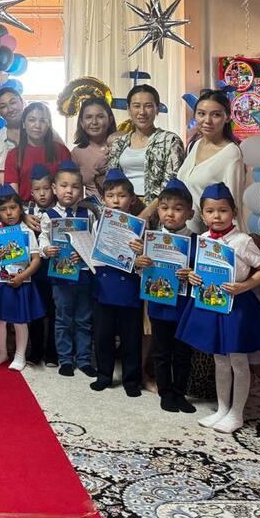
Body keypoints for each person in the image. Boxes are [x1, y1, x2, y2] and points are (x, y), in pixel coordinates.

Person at [176, 182, 260, 433]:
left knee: (238, 360)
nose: (217, 216)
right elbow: (199, 269)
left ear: (233, 212)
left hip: (237, 306)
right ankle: (223, 409)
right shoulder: (203, 240)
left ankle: (237, 413)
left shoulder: (243, 241)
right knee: (219, 360)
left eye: (223, 210)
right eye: (210, 211)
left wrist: (245, 285)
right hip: (211, 303)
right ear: (202, 215)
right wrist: (193, 276)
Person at [131, 177, 196, 413]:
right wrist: (139, 263)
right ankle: (165, 392)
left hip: (185, 306)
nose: (170, 214)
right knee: (161, 351)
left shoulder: (197, 242)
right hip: (159, 304)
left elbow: (203, 275)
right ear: (158, 210)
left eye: (178, 209)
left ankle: (180, 393)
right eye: (165, 208)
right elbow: (141, 272)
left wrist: (192, 273)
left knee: (183, 352)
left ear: (190, 213)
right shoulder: (150, 239)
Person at [0, 184, 44, 371]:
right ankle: (2, 352)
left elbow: (36, 260)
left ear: (20, 209)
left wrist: (23, 276)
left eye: (13, 208)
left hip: (21, 281)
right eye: (3, 209)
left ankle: (20, 356)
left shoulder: (27, 231)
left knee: (19, 320)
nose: (9, 213)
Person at [39, 161, 96, 376]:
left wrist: (84, 252)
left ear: (81, 190)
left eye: (74, 186)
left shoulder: (87, 214)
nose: (69, 191)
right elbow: (43, 238)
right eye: (64, 186)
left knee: (84, 319)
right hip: (60, 276)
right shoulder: (49, 216)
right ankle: (65, 360)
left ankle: (84, 359)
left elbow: (94, 242)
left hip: (83, 275)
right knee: (63, 319)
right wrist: (46, 250)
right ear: (54, 188)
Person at [90, 169, 144, 397]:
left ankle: (131, 380)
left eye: (121, 196)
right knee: (103, 335)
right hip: (104, 286)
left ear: (132, 200)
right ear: (104, 199)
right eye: (110, 195)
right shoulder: (97, 224)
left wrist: (140, 254)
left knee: (131, 337)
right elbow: (94, 256)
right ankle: (104, 375)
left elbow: (145, 264)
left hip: (130, 287)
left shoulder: (141, 227)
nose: (116, 200)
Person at [106, 84, 185, 222]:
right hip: (122, 210)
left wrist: (146, 214)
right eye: (136, 106)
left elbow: (171, 183)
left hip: (159, 212)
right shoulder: (119, 143)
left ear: (157, 109)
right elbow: (111, 181)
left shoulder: (170, 140)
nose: (142, 112)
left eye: (148, 106)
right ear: (128, 109)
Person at [177, 90, 245, 233]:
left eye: (216, 115)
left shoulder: (231, 153)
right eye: (201, 114)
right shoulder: (195, 144)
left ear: (227, 117)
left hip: (209, 238)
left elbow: (233, 205)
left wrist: (232, 241)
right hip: (183, 232)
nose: (207, 120)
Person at [4, 102, 71, 203]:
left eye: (43, 121)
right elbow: (12, 194)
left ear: (48, 124)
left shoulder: (62, 151)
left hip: (57, 207)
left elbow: (69, 186)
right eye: (32, 120)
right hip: (25, 208)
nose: (37, 125)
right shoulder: (14, 155)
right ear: (23, 124)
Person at [26, 163, 59, 367]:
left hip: (55, 268)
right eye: (37, 189)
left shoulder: (59, 212)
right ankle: (36, 350)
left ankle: (52, 352)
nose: (42, 193)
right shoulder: (26, 212)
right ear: (31, 192)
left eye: (46, 188)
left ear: (53, 188)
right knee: (36, 310)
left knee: (54, 311)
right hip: (34, 270)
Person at [70, 97, 118, 198]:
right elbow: (75, 190)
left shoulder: (119, 144)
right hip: (91, 206)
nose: (94, 122)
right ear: (81, 122)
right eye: (88, 117)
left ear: (110, 120)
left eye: (100, 116)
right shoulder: (77, 153)